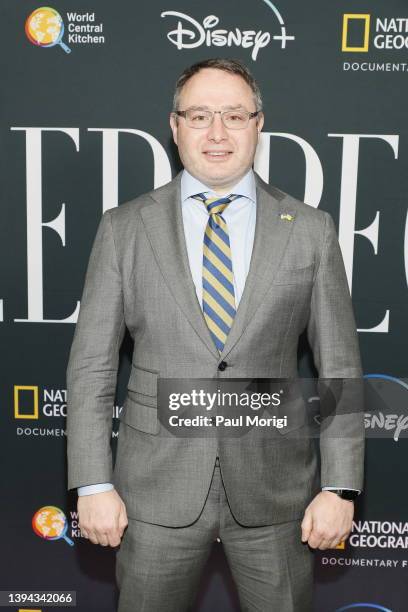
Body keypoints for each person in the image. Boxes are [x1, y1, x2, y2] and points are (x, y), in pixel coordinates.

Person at [66, 58, 364, 612]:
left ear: (259, 124)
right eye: (200, 115)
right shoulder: (124, 228)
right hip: (152, 498)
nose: (218, 133)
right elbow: (91, 368)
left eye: (234, 114)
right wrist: (91, 484)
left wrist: (340, 487)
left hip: (277, 500)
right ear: (175, 126)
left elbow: (338, 369)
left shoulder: (311, 231)